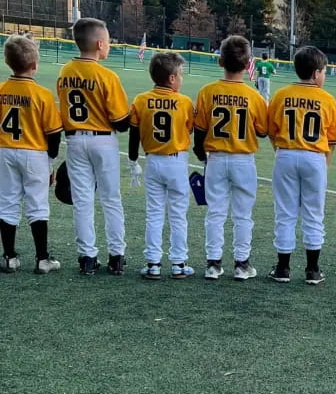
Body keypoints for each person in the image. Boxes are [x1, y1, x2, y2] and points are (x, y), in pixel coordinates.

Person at [56, 18, 131, 276]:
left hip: (75, 140)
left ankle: (87, 257)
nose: (109, 46)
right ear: (100, 44)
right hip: (103, 140)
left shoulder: (65, 71)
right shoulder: (106, 75)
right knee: (110, 198)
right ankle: (117, 256)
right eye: (108, 42)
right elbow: (121, 122)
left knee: (82, 201)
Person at [193, 35, 268, 281]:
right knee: (242, 214)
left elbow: (200, 130)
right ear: (248, 65)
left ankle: (213, 263)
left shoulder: (208, 92)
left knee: (215, 212)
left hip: (215, 157)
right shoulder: (253, 96)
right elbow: (262, 131)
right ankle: (241, 263)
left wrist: (202, 154)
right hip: (243, 158)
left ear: (220, 61)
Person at [266, 46, 336, 286]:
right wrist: (325, 162)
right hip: (314, 156)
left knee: (285, 213)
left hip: (286, 154)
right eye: (324, 71)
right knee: (313, 213)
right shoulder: (327, 98)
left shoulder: (281, 94)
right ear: (317, 72)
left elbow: (272, 130)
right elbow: (333, 140)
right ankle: (312, 269)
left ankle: (283, 267)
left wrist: (280, 151)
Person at [128, 52, 196, 280]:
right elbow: (189, 129)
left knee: (154, 213)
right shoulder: (184, 102)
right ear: (171, 78)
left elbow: (134, 133)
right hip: (176, 160)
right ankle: (178, 263)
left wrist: (132, 159)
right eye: (180, 74)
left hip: (153, 161)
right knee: (178, 214)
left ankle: (153, 263)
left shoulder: (140, 100)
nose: (182, 78)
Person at [0, 35, 63, 274]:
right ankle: (42, 259)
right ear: (35, 64)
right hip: (34, 152)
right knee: (37, 205)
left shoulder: (2, 90)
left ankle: (9, 257)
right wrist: (50, 162)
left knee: (7, 203)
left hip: (5, 150)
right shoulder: (42, 94)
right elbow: (54, 134)